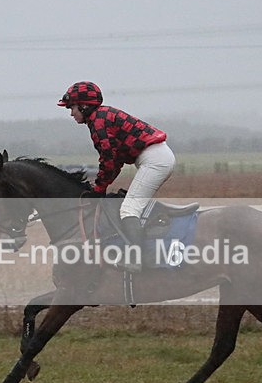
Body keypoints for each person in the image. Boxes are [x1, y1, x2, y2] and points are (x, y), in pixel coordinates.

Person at [58, 81, 175, 273]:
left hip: (155, 161)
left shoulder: (98, 121)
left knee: (129, 210)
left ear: (84, 106)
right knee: (128, 205)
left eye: (72, 108)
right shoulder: (101, 117)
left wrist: (99, 189)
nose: (71, 113)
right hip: (156, 158)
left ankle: (138, 260)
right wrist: (100, 187)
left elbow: (108, 159)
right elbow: (115, 160)